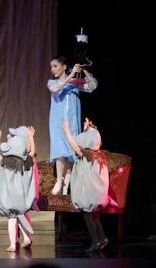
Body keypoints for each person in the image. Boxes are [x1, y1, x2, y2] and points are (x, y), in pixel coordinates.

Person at [63, 118, 117, 252]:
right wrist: (88, 128)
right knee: (94, 215)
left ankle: (95, 241)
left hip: (89, 193)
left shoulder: (88, 154)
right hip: (93, 193)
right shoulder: (98, 154)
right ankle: (103, 238)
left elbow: (74, 145)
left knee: (88, 215)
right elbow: (90, 138)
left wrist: (66, 130)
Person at [48, 56, 98, 195]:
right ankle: (59, 179)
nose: (52, 69)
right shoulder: (52, 82)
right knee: (60, 150)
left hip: (72, 122)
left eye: (55, 66)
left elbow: (92, 86)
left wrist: (84, 71)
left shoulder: (75, 83)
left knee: (71, 151)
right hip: (58, 122)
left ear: (64, 66)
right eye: (51, 67)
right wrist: (70, 75)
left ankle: (65, 186)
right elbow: (56, 89)